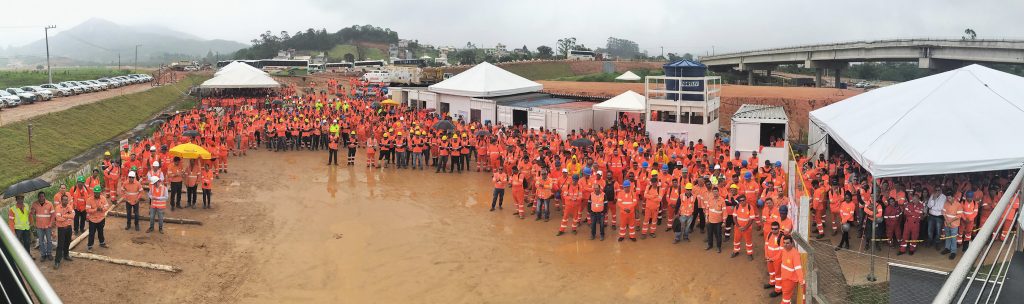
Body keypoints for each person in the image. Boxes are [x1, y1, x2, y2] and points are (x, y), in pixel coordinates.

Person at [772, 235, 805, 303]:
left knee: (785, 297)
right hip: (784, 277)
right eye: (784, 243)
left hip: (790, 280)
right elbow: (778, 255)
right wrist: (772, 259)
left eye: (787, 243)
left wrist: (801, 280)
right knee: (786, 295)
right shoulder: (783, 250)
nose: (785, 245)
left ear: (792, 243)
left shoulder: (795, 254)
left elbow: (798, 268)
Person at [85, 185, 110, 252]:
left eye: (98, 192)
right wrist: (95, 209)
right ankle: (89, 246)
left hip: (101, 219)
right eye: (95, 192)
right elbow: (87, 210)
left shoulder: (103, 198)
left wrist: (102, 209)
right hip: (92, 220)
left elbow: (107, 206)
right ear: (93, 192)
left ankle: (102, 243)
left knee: (101, 231)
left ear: (100, 192)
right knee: (92, 233)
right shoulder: (89, 200)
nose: (97, 194)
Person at [32, 191, 55, 261]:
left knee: (49, 240)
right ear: (38, 197)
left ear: (44, 197)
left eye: (42, 196)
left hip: (48, 226)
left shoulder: (49, 204)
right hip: (39, 226)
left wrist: (50, 224)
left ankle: (49, 253)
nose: (41, 198)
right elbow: (32, 214)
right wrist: (32, 210)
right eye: (40, 196)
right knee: (41, 241)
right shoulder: (34, 204)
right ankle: (43, 255)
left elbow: (53, 215)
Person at [54, 195, 75, 269]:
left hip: (68, 227)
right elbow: (58, 218)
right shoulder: (57, 208)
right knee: (60, 245)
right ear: (61, 200)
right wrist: (68, 216)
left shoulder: (69, 206)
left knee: (68, 242)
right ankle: (57, 261)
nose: (65, 201)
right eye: (64, 200)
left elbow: (73, 216)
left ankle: (66, 255)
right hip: (61, 228)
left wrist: (64, 216)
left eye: (67, 200)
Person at [732, 196, 756, 260]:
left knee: (748, 241)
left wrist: (745, 227)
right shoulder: (737, 207)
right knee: (736, 240)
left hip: (747, 229)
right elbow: (734, 217)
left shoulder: (750, 207)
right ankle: (736, 251)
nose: (742, 202)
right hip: (738, 228)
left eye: (743, 200)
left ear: (746, 200)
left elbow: (751, 219)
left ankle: (750, 253)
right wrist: (738, 226)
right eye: (740, 201)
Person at [942, 194, 964, 259]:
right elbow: (944, 213)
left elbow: (959, 215)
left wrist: (950, 221)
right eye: (947, 198)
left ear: (953, 197)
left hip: (954, 224)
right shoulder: (946, 203)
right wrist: (947, 221)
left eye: (950, 198)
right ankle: (947, 248)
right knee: (947, 236)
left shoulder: (958, 204)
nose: (948, 200)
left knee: (953, 238)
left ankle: (953, 252)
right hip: (947, 224)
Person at [764, 221, 783, 294]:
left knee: (778, 274)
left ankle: (778, 290)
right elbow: (766, 245)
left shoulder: (781, 237)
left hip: (777, 260)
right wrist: (766, 255)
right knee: (771, 272)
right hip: (769, 258)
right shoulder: (769, 234)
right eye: (772, 229)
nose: (774, 230)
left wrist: (773, 258)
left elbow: (781, 251)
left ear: (779, 228)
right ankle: (772, 283)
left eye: (775, 229)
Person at [705, 187, 725, 253]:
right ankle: (710, 245)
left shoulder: (722, 200)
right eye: (714, 192)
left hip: (718, 222)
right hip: (710, 220)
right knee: (709, 234)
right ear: (712, 193)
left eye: (716, 191)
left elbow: (724, 211)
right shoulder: (710, 199)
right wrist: (706, 217)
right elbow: (707, 209)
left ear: (718, 192)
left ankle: (719, 247)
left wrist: (724, 221)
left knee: (718, 235)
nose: (715, 193)